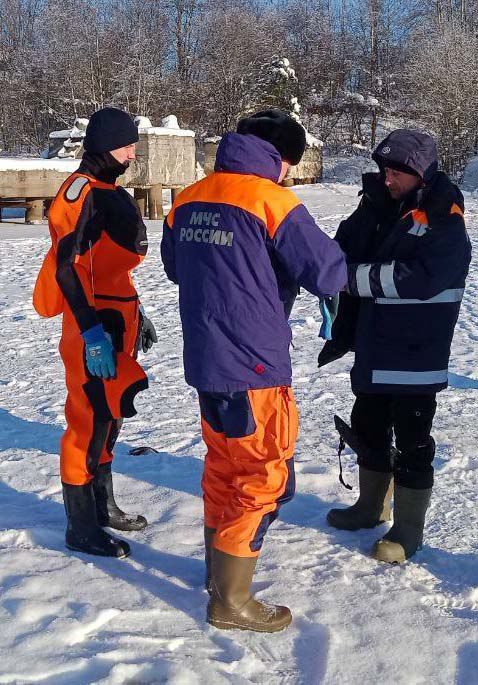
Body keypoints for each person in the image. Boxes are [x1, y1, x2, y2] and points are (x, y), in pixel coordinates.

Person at [161, 109, 346, 633]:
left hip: (206, 360)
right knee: (262, 476)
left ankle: (217, 574)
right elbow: (328, 269)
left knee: (223, 466)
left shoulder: (190, 197)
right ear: (281, 159)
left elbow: (176, 266)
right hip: (256, 366)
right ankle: (232, 601)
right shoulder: (272, 200)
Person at [321, 129, 471, 564]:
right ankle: (371, 506)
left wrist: (351, 278)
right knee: (366, 423)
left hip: (415, 348)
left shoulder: (443, 213)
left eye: (397, 173)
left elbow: (426, 276)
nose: (388, 179)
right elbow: (338, 248)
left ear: (421, 174)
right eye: (384, 170)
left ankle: (408, 530)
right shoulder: (373, 206)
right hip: (372, 341)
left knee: (412, 438)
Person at [33, 107, 157, 559]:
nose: (131, 152)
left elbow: (113, 263)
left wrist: (136, 313)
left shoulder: (109, 189)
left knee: (112, 414)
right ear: (104, 145)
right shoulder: (79, 192)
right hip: (92, 322)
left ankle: (103, 505)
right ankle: (80, 525)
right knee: (87, 419)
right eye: (126, 144)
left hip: (118, 316)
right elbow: (68, 269)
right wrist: (91, 332)